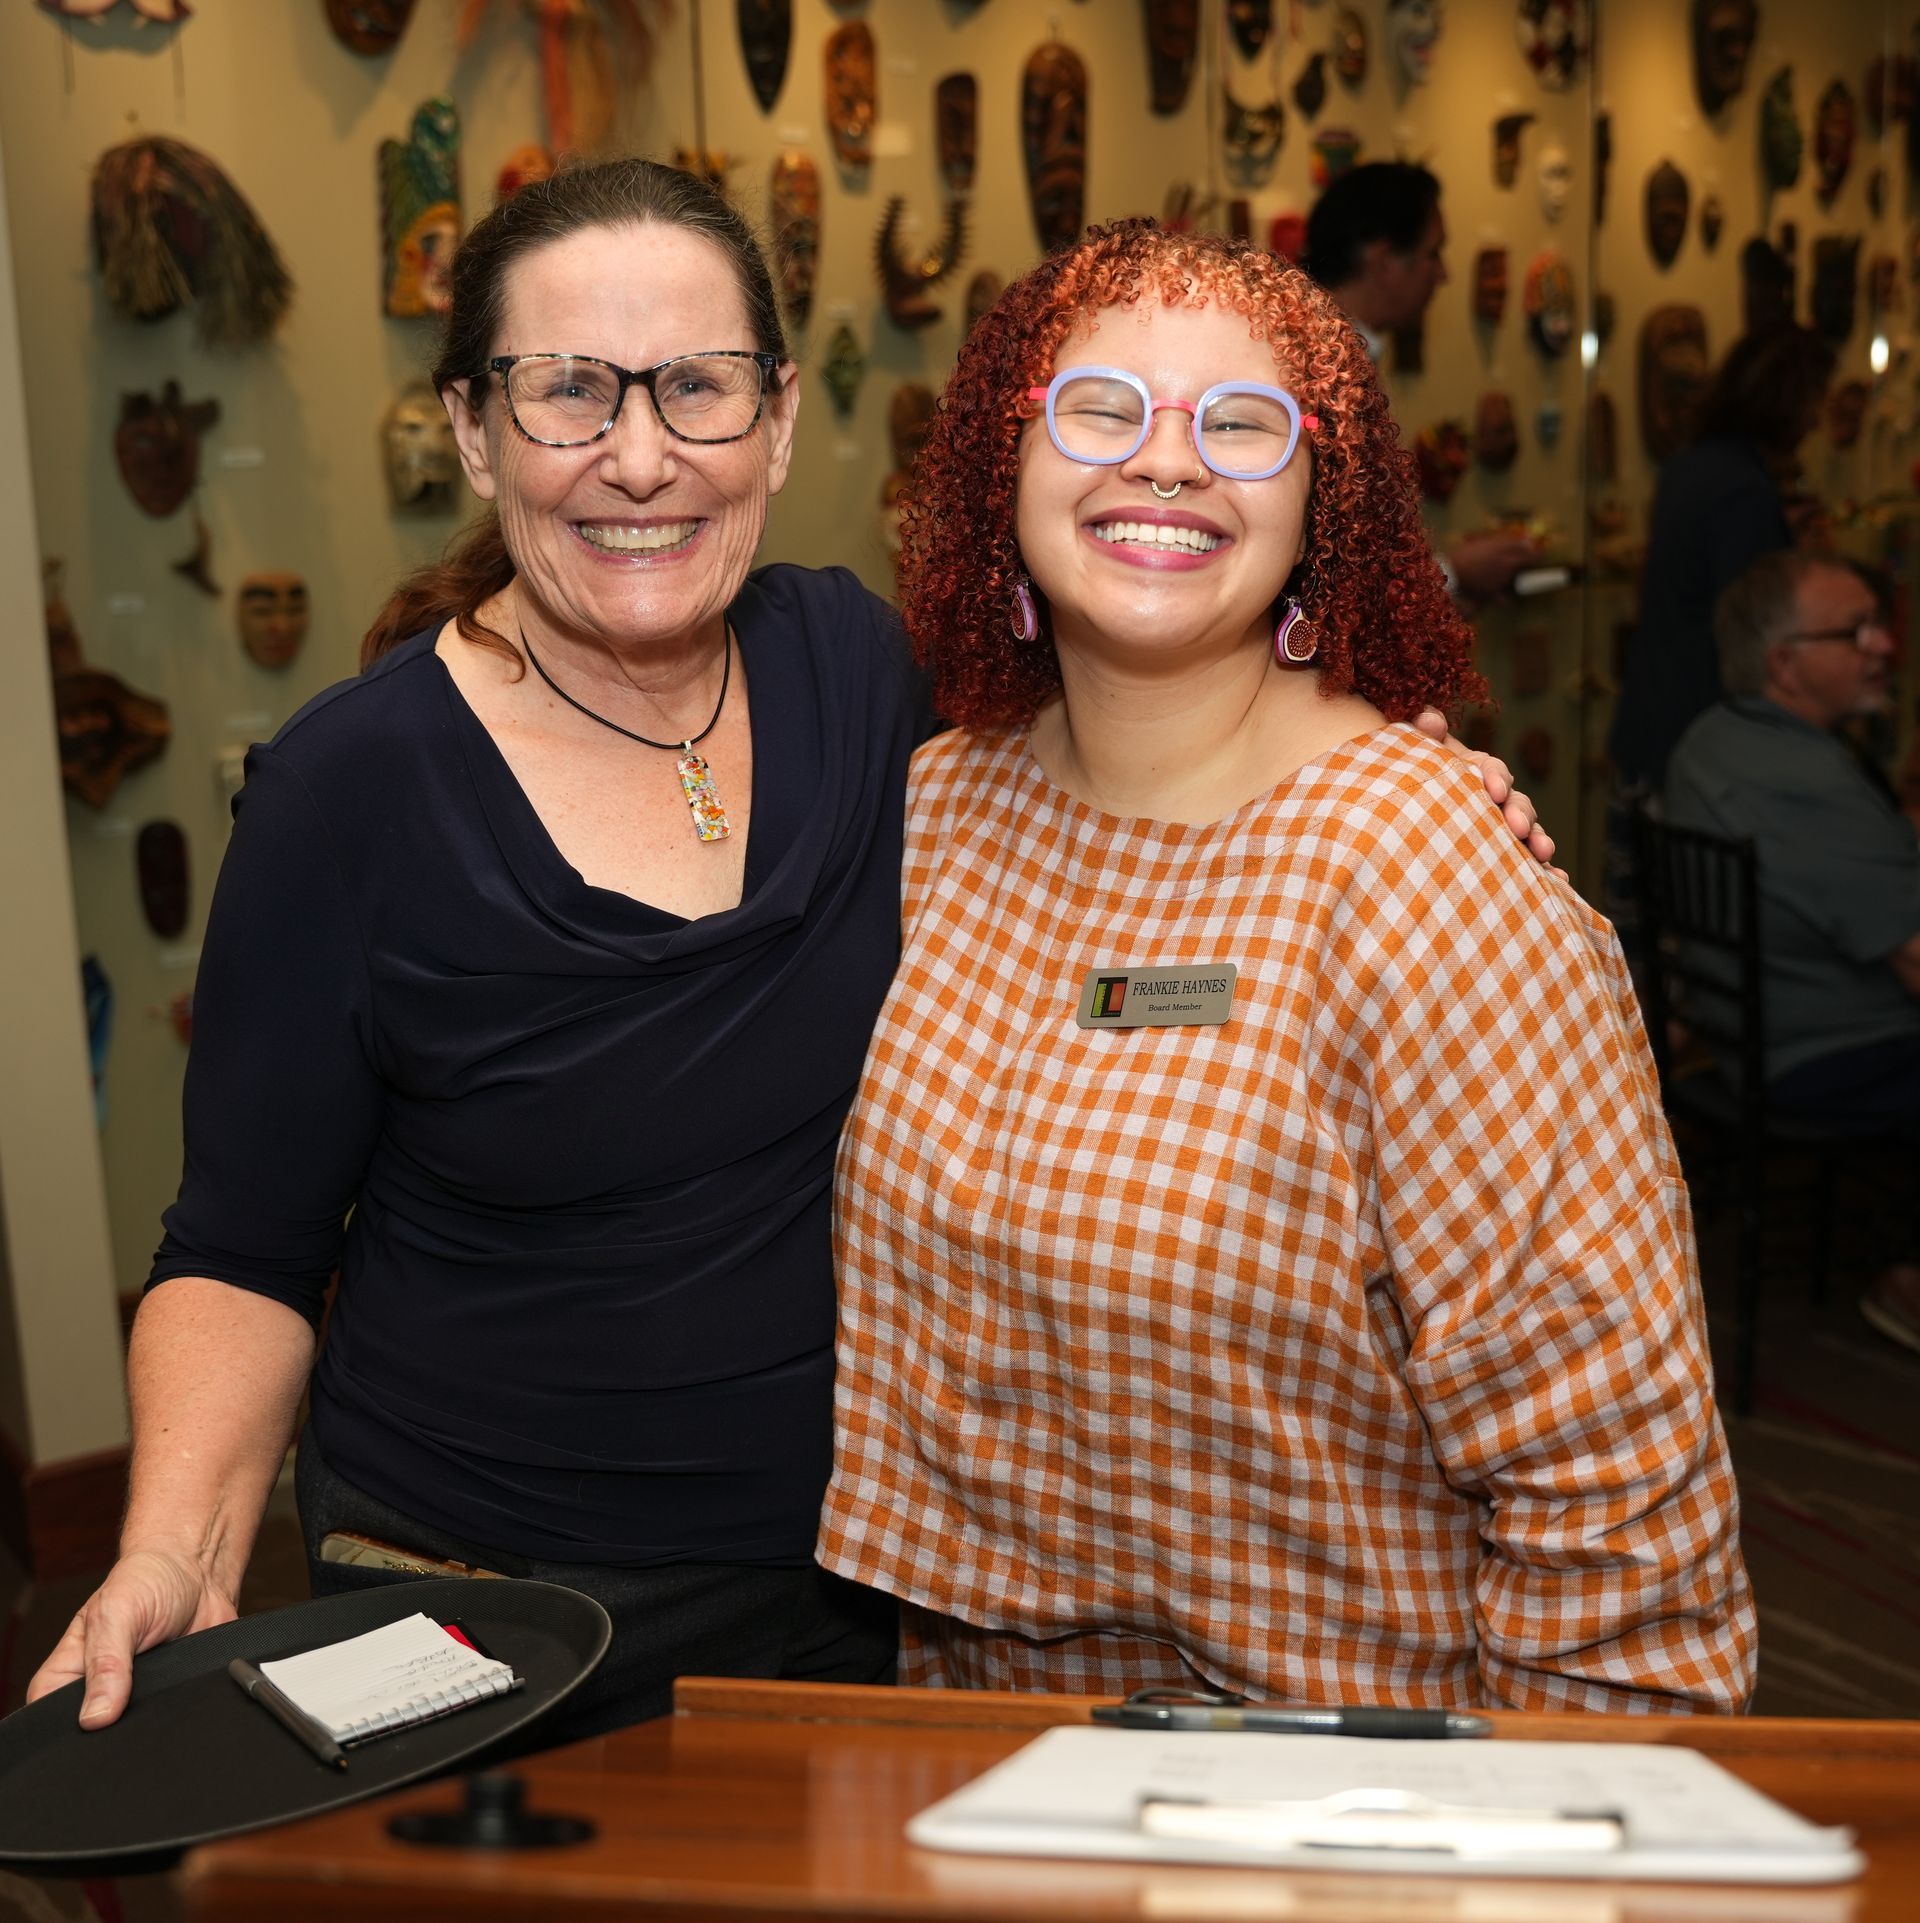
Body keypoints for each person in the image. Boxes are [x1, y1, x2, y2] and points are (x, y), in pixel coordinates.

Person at [30, 163, 1547, 1738]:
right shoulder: (349, 790)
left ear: (777, 419)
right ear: (476, 431)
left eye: (697, 387)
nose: (640, 457)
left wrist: (1397, 782)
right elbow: (243, 1244)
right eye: (567, 393)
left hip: (863, 1588)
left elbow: (1141, 767)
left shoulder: (872, 681)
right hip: (476, 1603)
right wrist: (172, 1547)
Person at [818, 219, 1756, 1712]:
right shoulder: (934, 809)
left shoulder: (1424, 870)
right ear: (1006, 462)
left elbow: (1617, 1494)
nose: (1168, 463)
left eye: (1242, 425)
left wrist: (1562, 1833)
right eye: (1099, 407)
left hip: (1336, 1780)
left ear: (1329, 503)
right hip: (964, 1740)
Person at [1665, 551, 1920, 1352]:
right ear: (1785, 664)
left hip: (1744, 1037)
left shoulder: (1711, 738)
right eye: (1856, 631)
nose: (1883, 644)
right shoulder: (1808, 780)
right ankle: (1908, 1283)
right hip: (1820, 1054)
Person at [1610, 325, 1837, 791]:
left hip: (1653, 718)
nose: (1816, 422)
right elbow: (1753, 633)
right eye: (1815, 402)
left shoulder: (1688, 466)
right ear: (1786, 401)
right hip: (1699, 735)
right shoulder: (1744, 490)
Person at [1304, 161, 1538, 608]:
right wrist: (1453, 572)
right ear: (1385, 259)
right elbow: (1327, 560)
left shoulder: (1342, 354)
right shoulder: (1317, 368)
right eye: (1433, 253)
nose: (1443, 274)